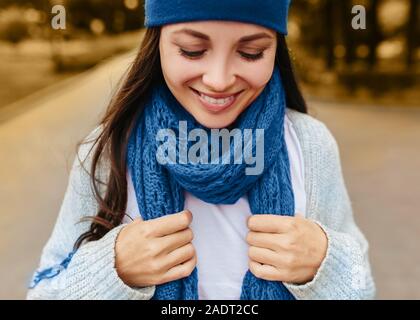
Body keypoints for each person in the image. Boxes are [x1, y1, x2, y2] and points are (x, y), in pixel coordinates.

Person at [27, 0, 375, 300]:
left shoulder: (310, 145)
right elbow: (41, 288)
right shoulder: (107, 150)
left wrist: (325, 261)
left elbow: (363, 284)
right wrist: (113, 268)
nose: (219, 79)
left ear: (276, 50)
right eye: (192, 50)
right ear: (157, 43)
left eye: (251, 52)